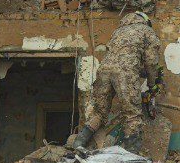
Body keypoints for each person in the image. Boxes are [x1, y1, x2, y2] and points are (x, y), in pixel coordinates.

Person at [69, 9, 163, 152]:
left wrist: (139, 71)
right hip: (125, 72)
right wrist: (152, 84)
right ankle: (131, 154)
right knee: (132, 114)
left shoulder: (118, 32)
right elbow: (151, 61)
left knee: (99, 112)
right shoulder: (146, 31)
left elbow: (120, 58)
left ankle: (77, 144)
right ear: (146, 21)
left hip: (104, 71)